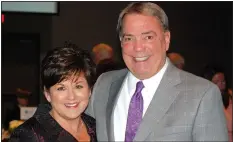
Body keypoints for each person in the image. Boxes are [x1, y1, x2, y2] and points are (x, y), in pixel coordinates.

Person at [85, 2, 228, 141]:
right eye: (129, 38)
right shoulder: (104, 85)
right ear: (121, 42)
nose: (138, 47)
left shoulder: (202, 95)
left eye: (148, 37)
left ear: (166, 40)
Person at [9, 42, 97, 142]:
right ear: (47, 94)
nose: (71, 96)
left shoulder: (97, 128)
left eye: (78, 86)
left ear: (90, 90)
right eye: (61, 88)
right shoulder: (28, 135)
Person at [202, 66, 232, 142]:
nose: (221, 84)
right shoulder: (205, 100)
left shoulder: (230, 95)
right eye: (216, 82)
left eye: (223, 81)